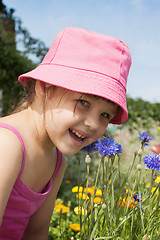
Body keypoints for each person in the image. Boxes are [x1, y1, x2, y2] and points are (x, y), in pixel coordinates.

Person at [0, 27, 132, 239]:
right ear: (44, 88)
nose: (92, 124)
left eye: (105, 115)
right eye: (83, 102)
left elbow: (36, 232)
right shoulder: (7, 144)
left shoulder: (56, 161)